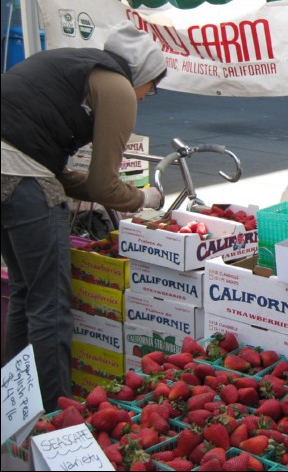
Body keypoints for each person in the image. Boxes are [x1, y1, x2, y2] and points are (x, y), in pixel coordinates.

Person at [1, 21, 165, 412]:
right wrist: (144, 197)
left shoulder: (71, 64)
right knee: (50, 303)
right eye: (152, 87)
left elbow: (65, 175)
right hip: (20, 175)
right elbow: (105, 186)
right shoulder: (118, 87)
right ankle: (59, 415)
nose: (146, 96)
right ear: (141, 74)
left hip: (13, 170)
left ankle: (14, 405)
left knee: (25, 292)